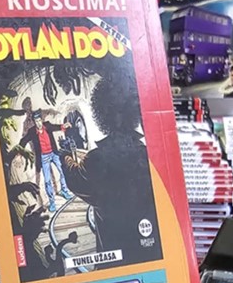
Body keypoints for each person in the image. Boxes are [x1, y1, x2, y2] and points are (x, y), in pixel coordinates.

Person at [58, 80, 159, 264]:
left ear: (102, 114)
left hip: (114, 250)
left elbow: (76, 179)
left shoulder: (97, 159)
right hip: (150, 248)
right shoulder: (147, 155)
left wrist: (65, 155)